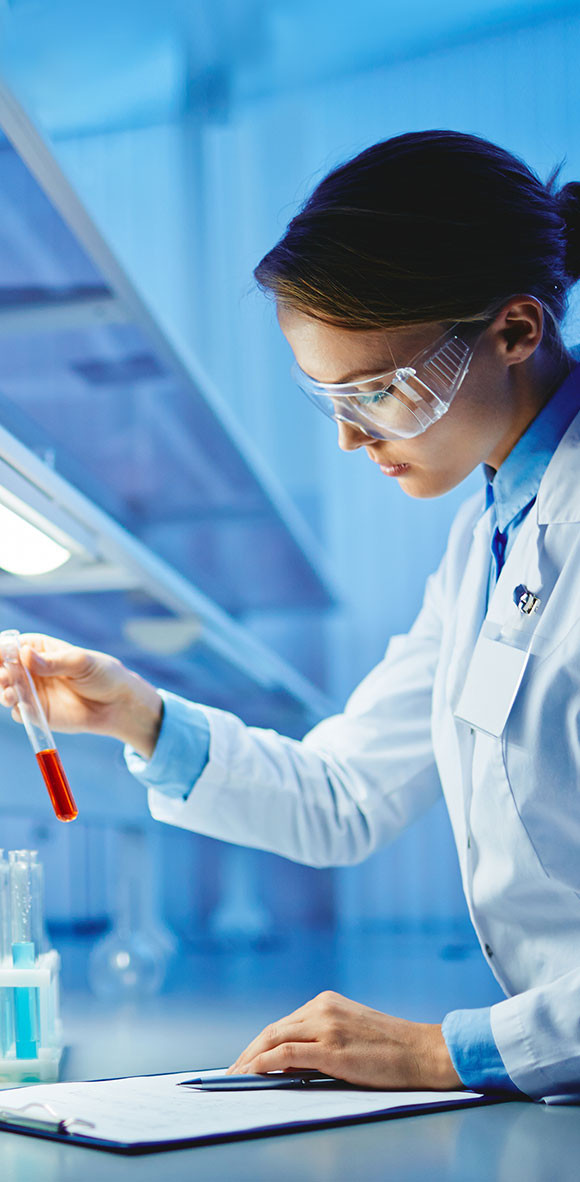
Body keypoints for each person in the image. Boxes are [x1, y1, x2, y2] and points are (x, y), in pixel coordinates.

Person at [2, 129, 580, 1100]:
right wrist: (139, 716)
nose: (353, 436)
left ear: (515, 331)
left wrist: (450, 1051)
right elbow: (346, 795)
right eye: (328, 401)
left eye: (381, 392)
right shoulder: (490, 540)